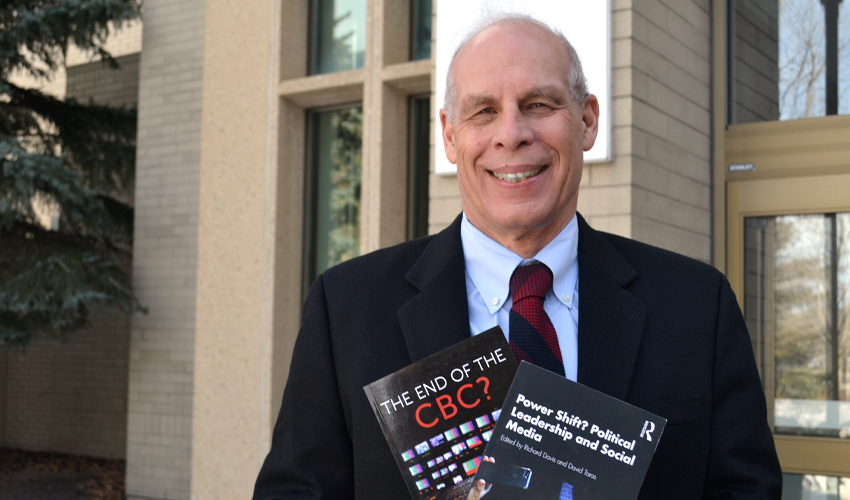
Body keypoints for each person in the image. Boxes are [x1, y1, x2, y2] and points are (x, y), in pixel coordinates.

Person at [253, 15, 782, 500]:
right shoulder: (347, 307)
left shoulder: (695, 305)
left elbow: (746, 491)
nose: (512, 134)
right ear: (450, 136)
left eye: (539, 105)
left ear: (588, 121)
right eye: (484, 111)